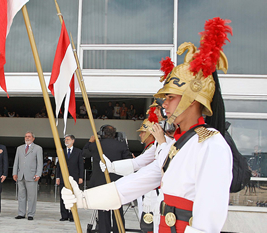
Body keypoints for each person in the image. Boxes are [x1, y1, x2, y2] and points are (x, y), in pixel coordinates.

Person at [62, 17, 233, 233]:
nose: (166, 104)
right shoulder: (177, 146)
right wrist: (84, 198)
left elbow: (208, 221)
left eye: (171, 97)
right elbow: (136, 182)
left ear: (192, 99)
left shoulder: (211, 145)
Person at [82, 125, 132, 233]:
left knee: (103, 211)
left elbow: (84, 153)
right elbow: (128, 161)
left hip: (100, 183)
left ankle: (104, 230)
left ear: (102, 134)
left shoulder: (96, 145)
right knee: (117, 209)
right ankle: (118, 230)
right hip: (116, 182)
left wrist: (90, 142)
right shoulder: (121, 145)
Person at [12, 131, 43, 220]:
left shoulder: (37, 148)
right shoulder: (19, 148)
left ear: (33, 138)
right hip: (20, 175)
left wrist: (38, 174)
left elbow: (39, 163)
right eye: (26, 136)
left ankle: (30, 214)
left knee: (32, 196)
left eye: (29, 136)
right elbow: (16, 162)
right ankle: (21, 213)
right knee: (21, 196)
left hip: (32, 175)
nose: (27, 138)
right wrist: (14, 173)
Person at [56, 135, 84, 222]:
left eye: (68, 139)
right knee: (63, 196)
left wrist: (81, 177)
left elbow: (81, 165)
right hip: (63, 178)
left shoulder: (78, 152)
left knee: (73, 196)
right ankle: (64, 215)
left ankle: (72, 216)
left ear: (73, 141)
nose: (66, 141)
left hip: (74, 178)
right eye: (65, 139)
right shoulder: (62, 151)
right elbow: (58, 166)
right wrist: (57, 177)